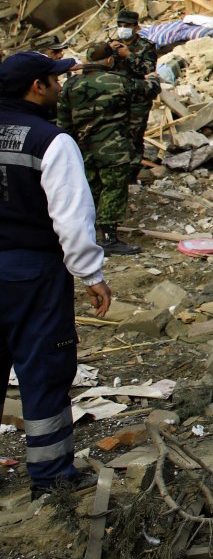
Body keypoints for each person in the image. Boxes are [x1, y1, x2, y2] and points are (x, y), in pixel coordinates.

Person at [0, 52, 113, 500]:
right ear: (37, 87)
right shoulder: (51, 140)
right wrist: (91, 273)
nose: (61, 87)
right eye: (55, 79)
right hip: (32, 271)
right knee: (43, 367)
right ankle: (51, 477)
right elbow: (71, 216)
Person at [56, 41, 155, 256]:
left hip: (82, 150)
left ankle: (86, 236)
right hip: (114, 149)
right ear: (109, 60)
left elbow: (63, 124)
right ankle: (109, 238)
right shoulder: (119, 82)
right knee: (113, 190)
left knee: (89, 190)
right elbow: (149, 90)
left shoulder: (70, 86)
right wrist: (153, 79)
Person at [114, 8, 159, 166]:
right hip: (116, 96)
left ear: (136, 27)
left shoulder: (146, 46)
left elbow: (148, 70)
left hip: (137, 98)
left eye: (127, 25)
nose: (123, 28)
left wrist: (129, 56)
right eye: (120, 24)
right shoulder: (112, 45)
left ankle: (133, 170)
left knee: (134, 135)